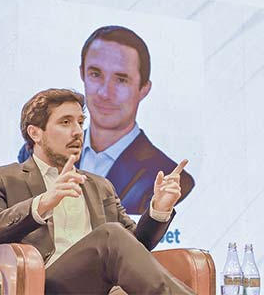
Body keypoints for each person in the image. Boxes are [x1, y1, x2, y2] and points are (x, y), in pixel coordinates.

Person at [0, 88, 195, 294]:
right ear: (36, 133)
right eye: (65, 122)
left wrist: (158, 209)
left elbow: (134, 249)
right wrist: (42, 204)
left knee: (117, 245)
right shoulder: (2, 177)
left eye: (80, 122)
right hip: (43, 285)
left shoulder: (99, 185)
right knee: (111, 236)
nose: (78, 131)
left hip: (100, 286)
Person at [18, 26, 195, 215]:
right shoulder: (34, 152)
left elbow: (135, 238)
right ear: (82, 74)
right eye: (95, 74)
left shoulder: (171, 178)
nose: (104, 93)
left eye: (121, 80)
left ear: (144, 89)